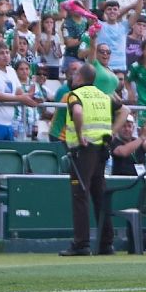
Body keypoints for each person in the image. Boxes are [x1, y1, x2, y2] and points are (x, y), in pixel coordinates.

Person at [58, 62, 118, 257]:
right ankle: (106, 243)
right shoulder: (104, 95)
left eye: (75, 74)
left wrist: (79, 134)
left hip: (83, 150)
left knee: (80, 195)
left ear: (80, 77)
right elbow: (124, 110)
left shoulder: (75, 95)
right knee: (99, 195)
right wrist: (112, 132)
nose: (73, 77)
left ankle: (81, 244)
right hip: (102, 149)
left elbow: (77, 112)